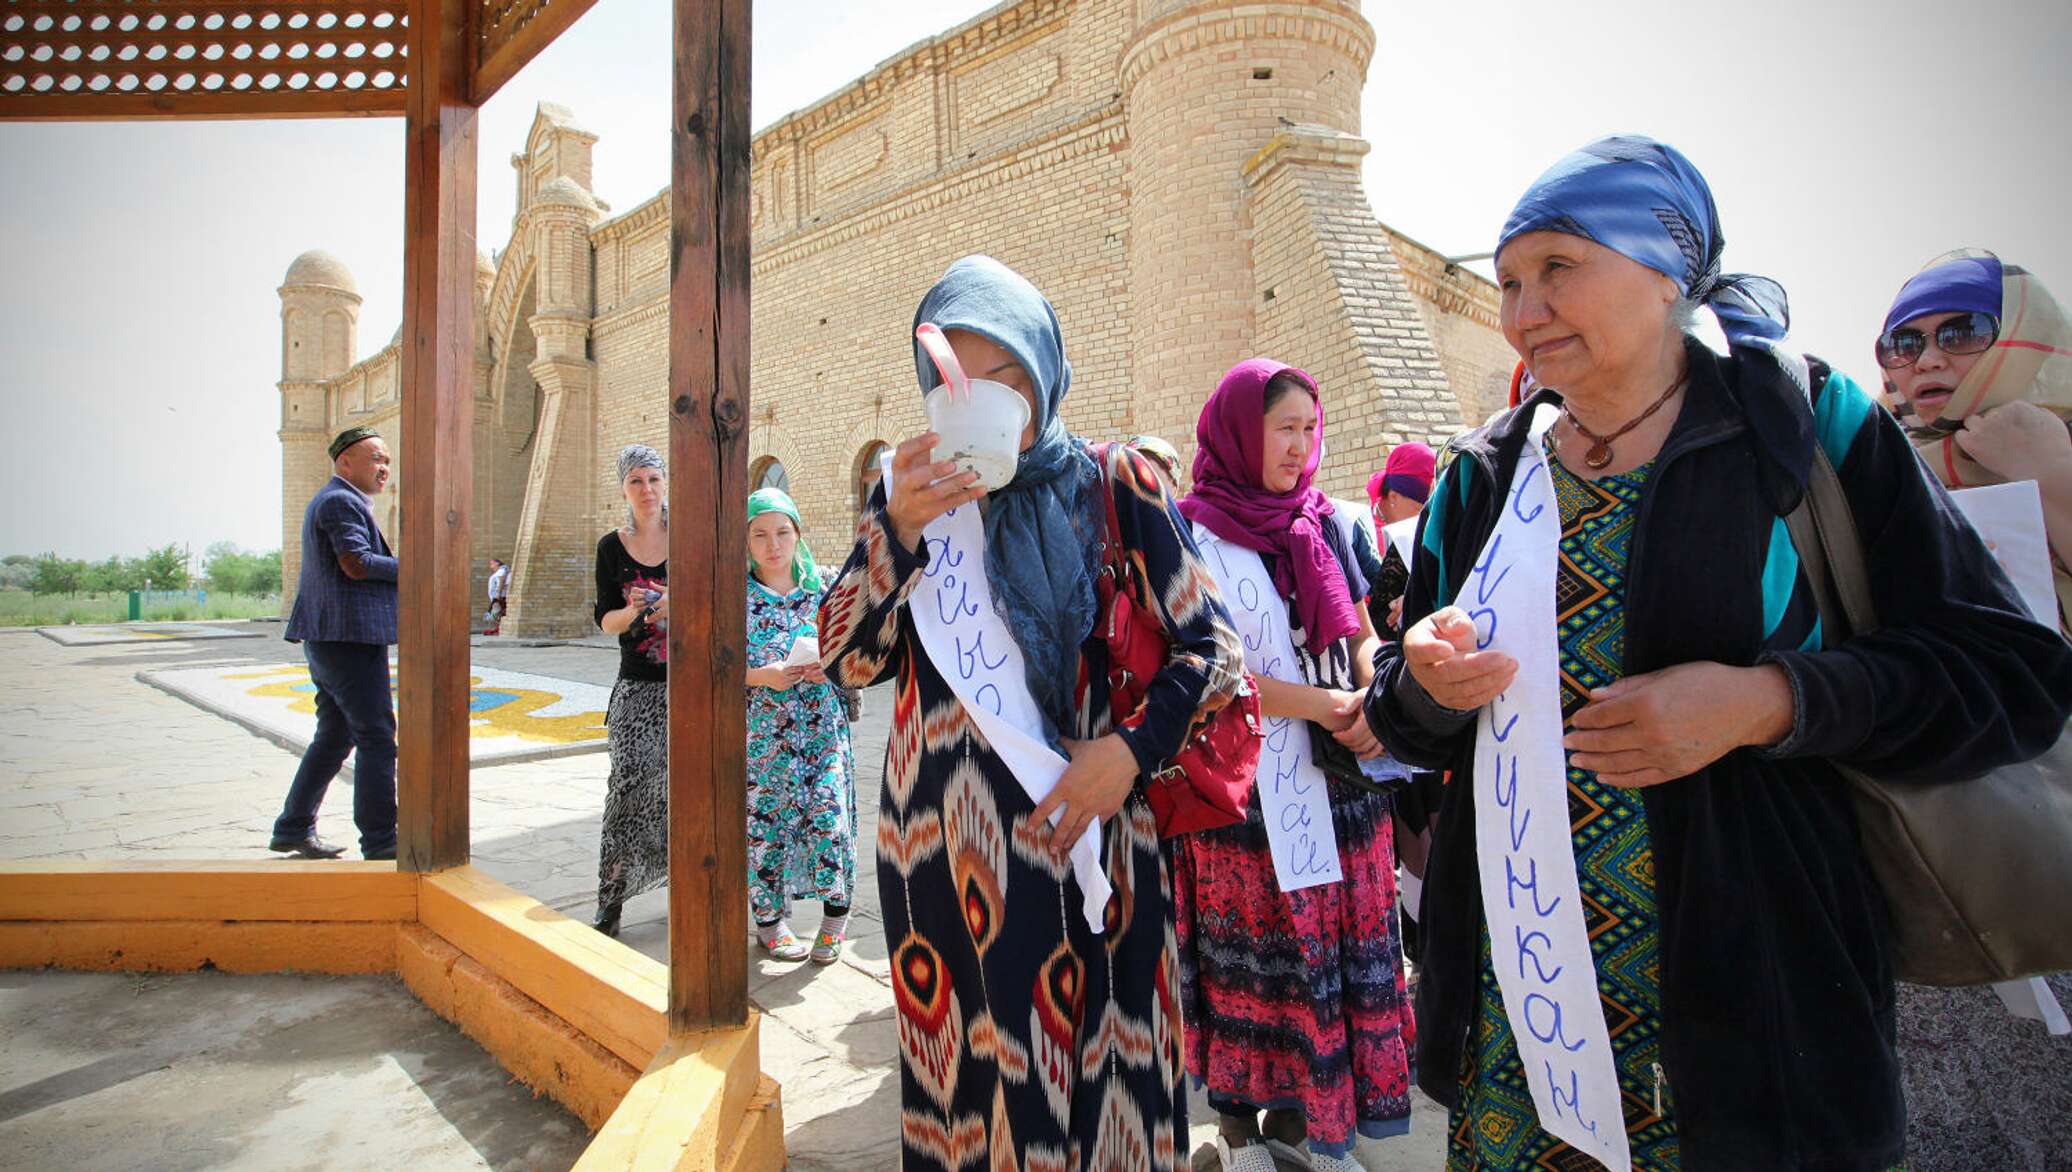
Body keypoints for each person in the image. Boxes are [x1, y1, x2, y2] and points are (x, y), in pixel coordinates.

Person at [1365, 135, 2072, 1170]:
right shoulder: (1481, 477)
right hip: (1524, 1033)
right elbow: (1396, 720)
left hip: (1758, 1026)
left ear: (1663, 271)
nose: (1522, 310)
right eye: (1508, 280)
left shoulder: (1802, 427)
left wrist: (1769, 701)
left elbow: (2007, 674)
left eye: (1559, 268)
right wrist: (1421, 681)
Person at [818, 255, 1244, 1170]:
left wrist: (1128, 753)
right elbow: (848, 660)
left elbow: (1214, 652)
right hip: (939, 859)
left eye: (1005, 377)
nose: (981, 401)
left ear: (1045, 374)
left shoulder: (1115, 482)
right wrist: (895, 530)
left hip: (1094, 842)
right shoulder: (908, 499)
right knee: (966, 1083)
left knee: (1100, 1085)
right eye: (956, 380)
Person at [1172, 359, 1416, 1172]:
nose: (1299, 445)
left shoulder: (1324, 523)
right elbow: (1209, 670)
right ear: (1242, 430)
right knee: (1255, 961)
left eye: (1309, 429)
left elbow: (1357, 630)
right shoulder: (1193, 533)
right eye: (1283, 428)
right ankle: (1242, 1133)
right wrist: (1322, 708)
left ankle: (1311, 1121)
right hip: (1241, 804)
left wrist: (1378, 689)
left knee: (1327, 953)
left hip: (1339, 788)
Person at [1873, 251, 2072, 1167]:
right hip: (1934, 881)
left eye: (1961, 331)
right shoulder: (1875, 474)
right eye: (1904, 342)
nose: (1926, 359)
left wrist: (2051, 483)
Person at [271, 425, 399, 862]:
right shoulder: (340, 500)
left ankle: (292, 827)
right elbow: (356, 563)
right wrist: (415, 565)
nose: (384, 468)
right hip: (347, 638)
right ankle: (382, 841)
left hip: (334, 637)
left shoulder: (339, 499)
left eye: (386, 460)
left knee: (334, 736)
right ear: (345, 461)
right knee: (378, 737)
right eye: (375, 459)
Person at [744, 486, 857, 964]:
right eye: (760, 535)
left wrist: (829, 665)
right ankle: (770, 924)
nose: (773, 545)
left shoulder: (824, 589)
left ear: (797, 534)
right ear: (746, 542)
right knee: (766, 827)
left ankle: (835, 921)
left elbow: (856, 648)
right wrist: (761, 676)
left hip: (822, 731)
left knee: (829, 820)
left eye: (783, 532)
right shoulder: (736, 598)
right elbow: (713, 663)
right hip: (764, 737)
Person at [589, 444, 671, 938]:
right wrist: (638, 611)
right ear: (624, 488)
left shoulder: (688, 535)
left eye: (654, 479)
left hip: (690, 684)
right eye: (636, 481)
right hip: (639, 687)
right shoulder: (611, 547)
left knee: (690, 792)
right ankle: (612, 898)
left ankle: (691, 883)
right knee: (628, 791)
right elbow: (606, 621)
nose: (647, 490)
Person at [485, 556, 510, 633]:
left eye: (492, 564)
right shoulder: (500, 570)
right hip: (496, 597)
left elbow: (501, 580)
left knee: (494, 614)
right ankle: (499, 628)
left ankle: (499, 629)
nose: (491, 566)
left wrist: (498, 593)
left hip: (499, 597)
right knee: (497, 613)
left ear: (497, 563)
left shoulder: (502, 570)